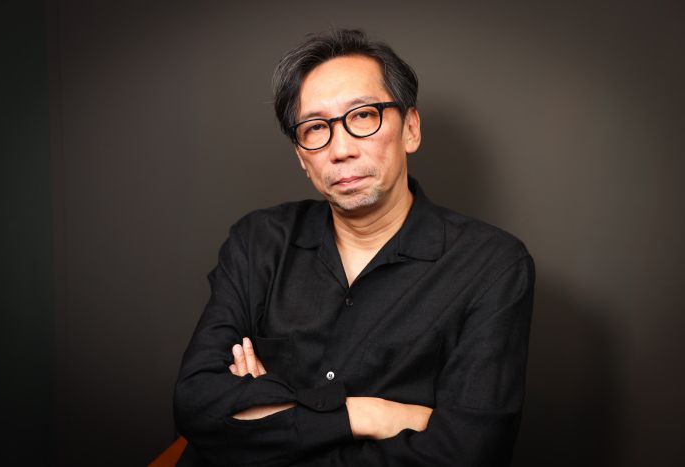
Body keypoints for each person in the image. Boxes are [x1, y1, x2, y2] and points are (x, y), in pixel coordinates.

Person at [174, 28, 535, 466]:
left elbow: (467, 452)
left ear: (411, 129)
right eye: (315, 128)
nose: (341, 149)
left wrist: (267, 417)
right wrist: (366, 415)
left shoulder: (491, 266)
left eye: (363, 116)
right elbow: (196, 404)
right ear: (301, 157)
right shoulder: (258, 241)